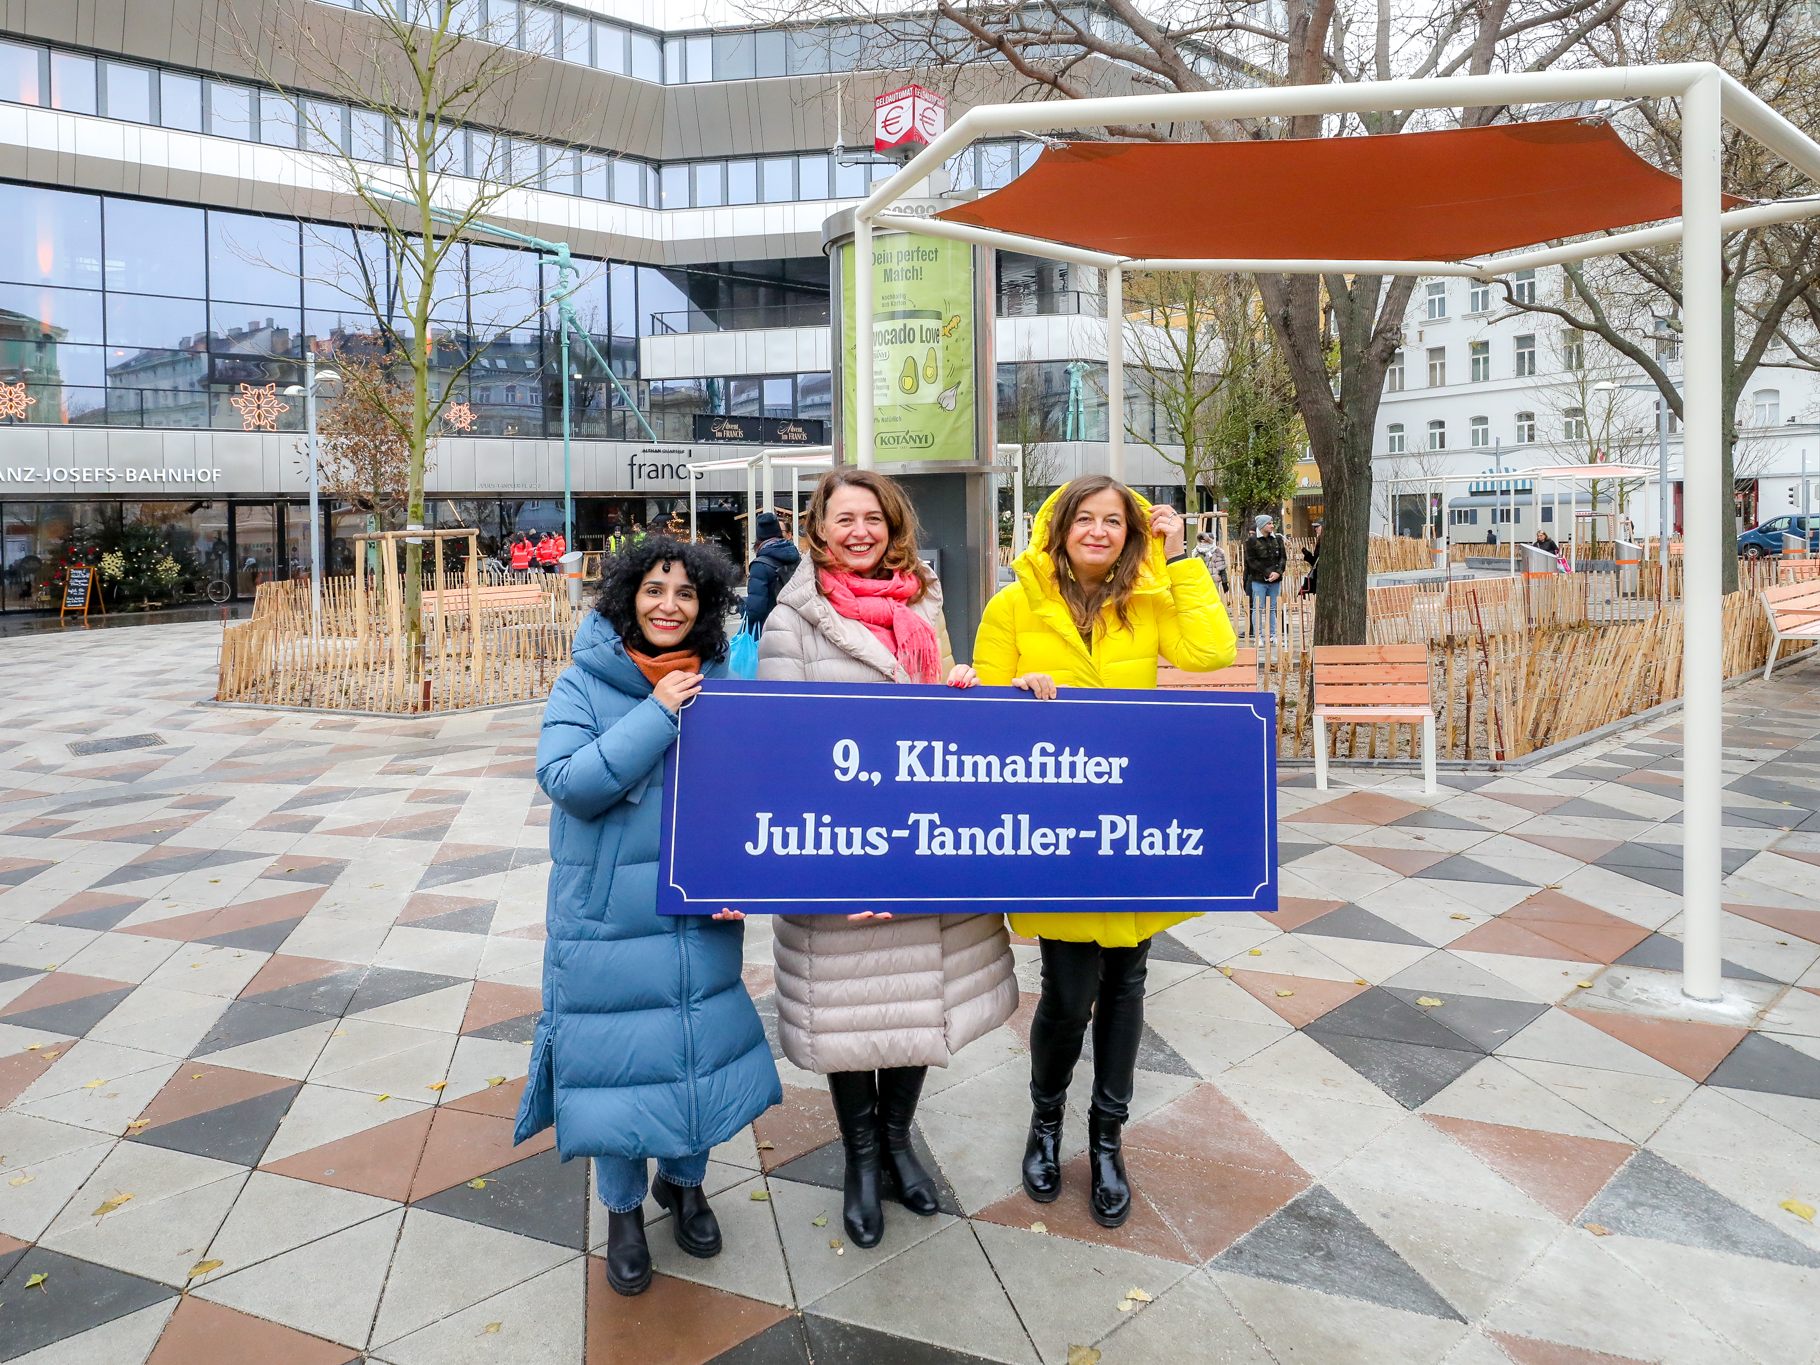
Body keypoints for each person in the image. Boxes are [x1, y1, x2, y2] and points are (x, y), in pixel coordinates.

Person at [757, 468, 1017, 1250]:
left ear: (893, 524)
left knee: (911, 1007)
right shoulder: (793, 621)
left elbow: (932, 719)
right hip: (844, 854)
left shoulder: (922, 606)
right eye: (845, 519)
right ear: (820, 528)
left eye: (874, 517)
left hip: (920, 855)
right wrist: (838, 864)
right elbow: (782, 749)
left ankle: (900, 1141)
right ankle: (862, 1160)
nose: (861, 530)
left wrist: (961, 691)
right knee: (853, 1011)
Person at [514, 536, 781, 1297]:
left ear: (706, 606)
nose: (669, 604)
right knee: (617, 1063)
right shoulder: (584, 681)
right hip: (606, 919)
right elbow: (567, 780)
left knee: (692, 1050)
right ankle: (624, 1211)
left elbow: (752, 792)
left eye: (687, 593)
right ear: (628, 594)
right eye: (655, 589)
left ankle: (686, 1184)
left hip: (698, 912)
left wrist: (747, 875)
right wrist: (659, 714)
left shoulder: (724, 678)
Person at [969, 475, 1235, 1228]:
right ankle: (1046, 1123)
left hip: (1128, 823)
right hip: (1055, 829)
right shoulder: (1012, 606)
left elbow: (1211, 652)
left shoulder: (1147, 601)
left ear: (1131, 532)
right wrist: (1017, 690)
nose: (1097, 530)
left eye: (1112, 520)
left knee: (1127, 983)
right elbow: (978, 717)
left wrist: (1178, 560)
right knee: (1066, 989)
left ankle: (1107, 1138)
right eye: (1082, 518)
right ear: (1057, 527)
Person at [741, 511, 800, 629]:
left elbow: (755, 611)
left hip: (771, 631)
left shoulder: (760, 565)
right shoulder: (796, 557)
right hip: (796, 628)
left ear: (759, 537)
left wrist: (742, 605)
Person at [1242, 513, 1286, 647]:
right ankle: (1258, 636)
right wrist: (1267, 572)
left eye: (1272, 523)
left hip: (1275, 580)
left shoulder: (1277, 539)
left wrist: (1278, 573)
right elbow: (1251, 561)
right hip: (1258, 580)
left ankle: (1274, 635)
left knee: (1273, 608)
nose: (1272, 526)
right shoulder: (1252, 541)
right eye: (1269, 523)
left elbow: (1283, 558)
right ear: (1262, 525)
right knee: (1258, 608)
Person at [1194, 530, 1229, 594]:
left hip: (1214, 582)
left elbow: (1222, 569)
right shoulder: (1196, 552)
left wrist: (1224, 583)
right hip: (1201, 582)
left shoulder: (1218, 552)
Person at [1299, 521, 1322, 598]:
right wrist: (1307, 554)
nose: (1315, 529)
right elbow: (1315, 562)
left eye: (1317, 527)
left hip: (1320, 575)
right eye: (1314, 527)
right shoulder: (1320, 539)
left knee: (1305, 597)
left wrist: (1308, 555)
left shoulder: (1325, 541)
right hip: (1317, 574)